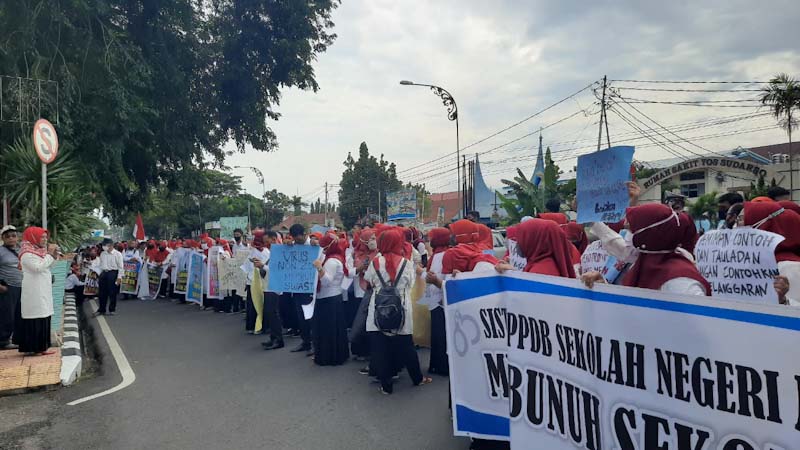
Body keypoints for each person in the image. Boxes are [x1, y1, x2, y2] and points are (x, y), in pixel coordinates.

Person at [583, 203, 711, 296]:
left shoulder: (679, 280)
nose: (626, 235)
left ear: (645, 236)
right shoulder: (641, 264)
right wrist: (604, 286)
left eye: (630, 229)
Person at [364, 229, 432, 394]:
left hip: (378, 308)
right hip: (401, 307)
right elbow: (410, 284)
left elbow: (369, 282)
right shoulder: (406, 263)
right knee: (406, 345)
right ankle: (417, 378)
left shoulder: (375, 262)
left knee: (380, 348)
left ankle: (386, 386)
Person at [741, 201, 800, 305]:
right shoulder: (748, 262)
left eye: (741, 219)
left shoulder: (790, 267)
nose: (736, 225)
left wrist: (783, 301)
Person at [310, 233, 350, 365]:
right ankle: (336, 355)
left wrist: (319, 267)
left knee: (327, 330)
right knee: (334, 329)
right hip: (333, 297)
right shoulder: (335, 257)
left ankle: (328, 356)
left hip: (328, 298)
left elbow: (326, 281)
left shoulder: (332, 261)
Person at [18, 227, 59, 355]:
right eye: (42, 237)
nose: (45, 240)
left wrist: (54, 255)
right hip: (34, 291)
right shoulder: (27, 253)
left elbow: (49, 264)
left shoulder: (39, 251)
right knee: (35, 318)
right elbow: (37, 267)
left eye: (46, 237)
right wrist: (49, 255)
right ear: (33, 237)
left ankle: (42, 347)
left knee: (44, 316)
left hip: (43, 289)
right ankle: (34, 348)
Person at [496, 219, 576, 278]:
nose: (518, 244)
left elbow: (525, 292)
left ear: (533, 240)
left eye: (522, 238)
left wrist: (513, 273)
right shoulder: (543, 263)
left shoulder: (542, 270)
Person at [423, 227, 451, 376]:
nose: (430, 240)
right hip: (438, 298)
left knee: (440, 334)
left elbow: (438, 277)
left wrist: (423, 274)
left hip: (440, 299)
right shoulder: (439, 254)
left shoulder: (443, 255)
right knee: (439, 333)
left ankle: (440, 365)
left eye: (432, 237)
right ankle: (438, 365)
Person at [287, 224, 314, 354]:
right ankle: (305, 342)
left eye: (298, 239)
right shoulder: (292, 246)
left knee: (310, 317)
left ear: (304, 234)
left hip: (309, 287)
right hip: (297, 287)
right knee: (301, 316)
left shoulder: (313, 246)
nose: (296, 241)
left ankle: (314, 344)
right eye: (294, 239)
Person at [259, 231, 286, 350]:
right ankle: (273, 337)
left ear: (274, 239)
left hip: (275, 286)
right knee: (269, 313)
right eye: (264, 241)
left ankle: (279, 340)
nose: (265, 243)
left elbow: (278, 269)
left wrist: (262, 266)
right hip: (268, 285)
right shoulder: (273, 251)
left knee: (273, 313)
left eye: (267, 241)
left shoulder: (279, 251)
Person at [0, 225, 22, 349]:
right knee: (7, 315)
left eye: (13, 236)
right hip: (8, 287)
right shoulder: (1, 251)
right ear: (3, 238)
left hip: (22, 286)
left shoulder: (21, 250)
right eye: (7, 236)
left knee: (20, 314)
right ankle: (3, 341)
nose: (11, 238)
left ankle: (17, 339)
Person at [245, 231, 269, 334]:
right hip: (253, 282)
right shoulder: (252, 251)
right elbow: (247, 267)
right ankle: (253, 326)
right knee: (253, 304)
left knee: (263, 304)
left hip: (264, 281)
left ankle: (263, 326)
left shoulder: (267, 251)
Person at [95, 238, 124, 316]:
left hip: (113, 273)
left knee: (112, 292)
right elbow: (100, 265)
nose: (104, 246)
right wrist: (98, 274)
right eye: (103, 245)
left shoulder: (117, 254)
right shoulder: (103, 254)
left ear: (111, 245)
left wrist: (119, 277)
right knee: (102, 293)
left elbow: (121, 267)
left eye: (105, 245)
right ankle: (101, 309)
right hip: (104, 273)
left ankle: (112, 309)